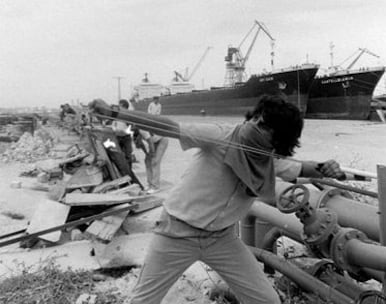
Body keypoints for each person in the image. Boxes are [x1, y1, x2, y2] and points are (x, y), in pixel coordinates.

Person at [89, 95, 345, 304]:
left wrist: (326, 167)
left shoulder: (266, 159)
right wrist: (115, 114)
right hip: (176, 233)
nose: (255, 126)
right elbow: (168, 127)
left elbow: (300, 168)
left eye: (265, 127)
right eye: (257, 119)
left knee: (266, 300)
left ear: (279, 140)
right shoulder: (221, 135)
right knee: (142, 301)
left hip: (221, 239)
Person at [139, 130, 169, 194]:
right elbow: (141, 145)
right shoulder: (134, 135)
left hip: (162, 140)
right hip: (154, 142)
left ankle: (155, 186)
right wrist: (147, 155)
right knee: (147, 161)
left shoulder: (142, 130)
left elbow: (150, 142)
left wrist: (152, 153)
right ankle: (150, 184)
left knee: (155, 162)